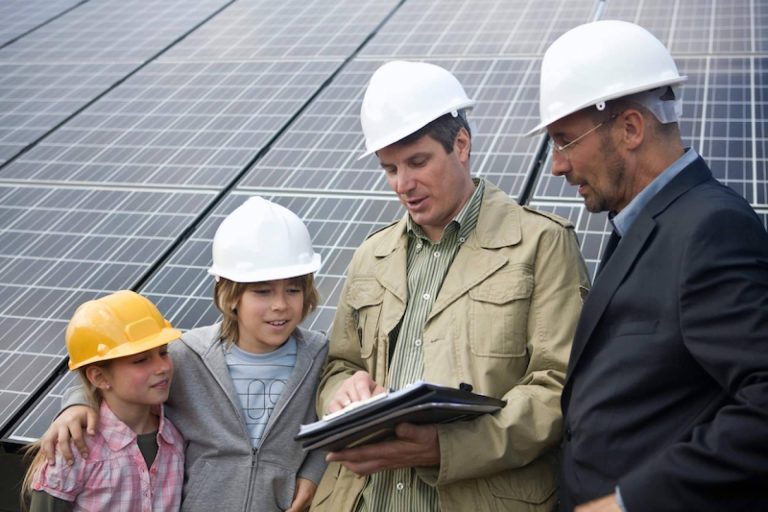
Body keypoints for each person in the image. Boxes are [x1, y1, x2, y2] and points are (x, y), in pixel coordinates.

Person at [311, 60, 590, 512]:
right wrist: (341, 392)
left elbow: (558, 388)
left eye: (417, 162)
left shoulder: (541, 244)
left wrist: (447, 447)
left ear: (461, 144)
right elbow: (339, 364)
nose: (403, 184)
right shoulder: (371, 255)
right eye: (389, 168)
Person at [526, 19, 768, 512]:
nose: (556, 164)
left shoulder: (710, 228)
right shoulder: (642, 226)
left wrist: (629, 502)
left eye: (565, 139)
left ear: (631, 128)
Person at [40, 197, 329, 512]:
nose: (280, 305)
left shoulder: (319, 358)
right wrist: (76, 406)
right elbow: (112, 375)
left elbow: (330, 427)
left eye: (293, 289)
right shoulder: (185, 355)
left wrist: (314, 474)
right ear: (231, 295)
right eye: (262, 291)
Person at [22, 290, 185, 511]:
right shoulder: (73, 449)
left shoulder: (176, 438)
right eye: (141, 360)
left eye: (164, 352)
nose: (162, 367)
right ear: (99, 377)